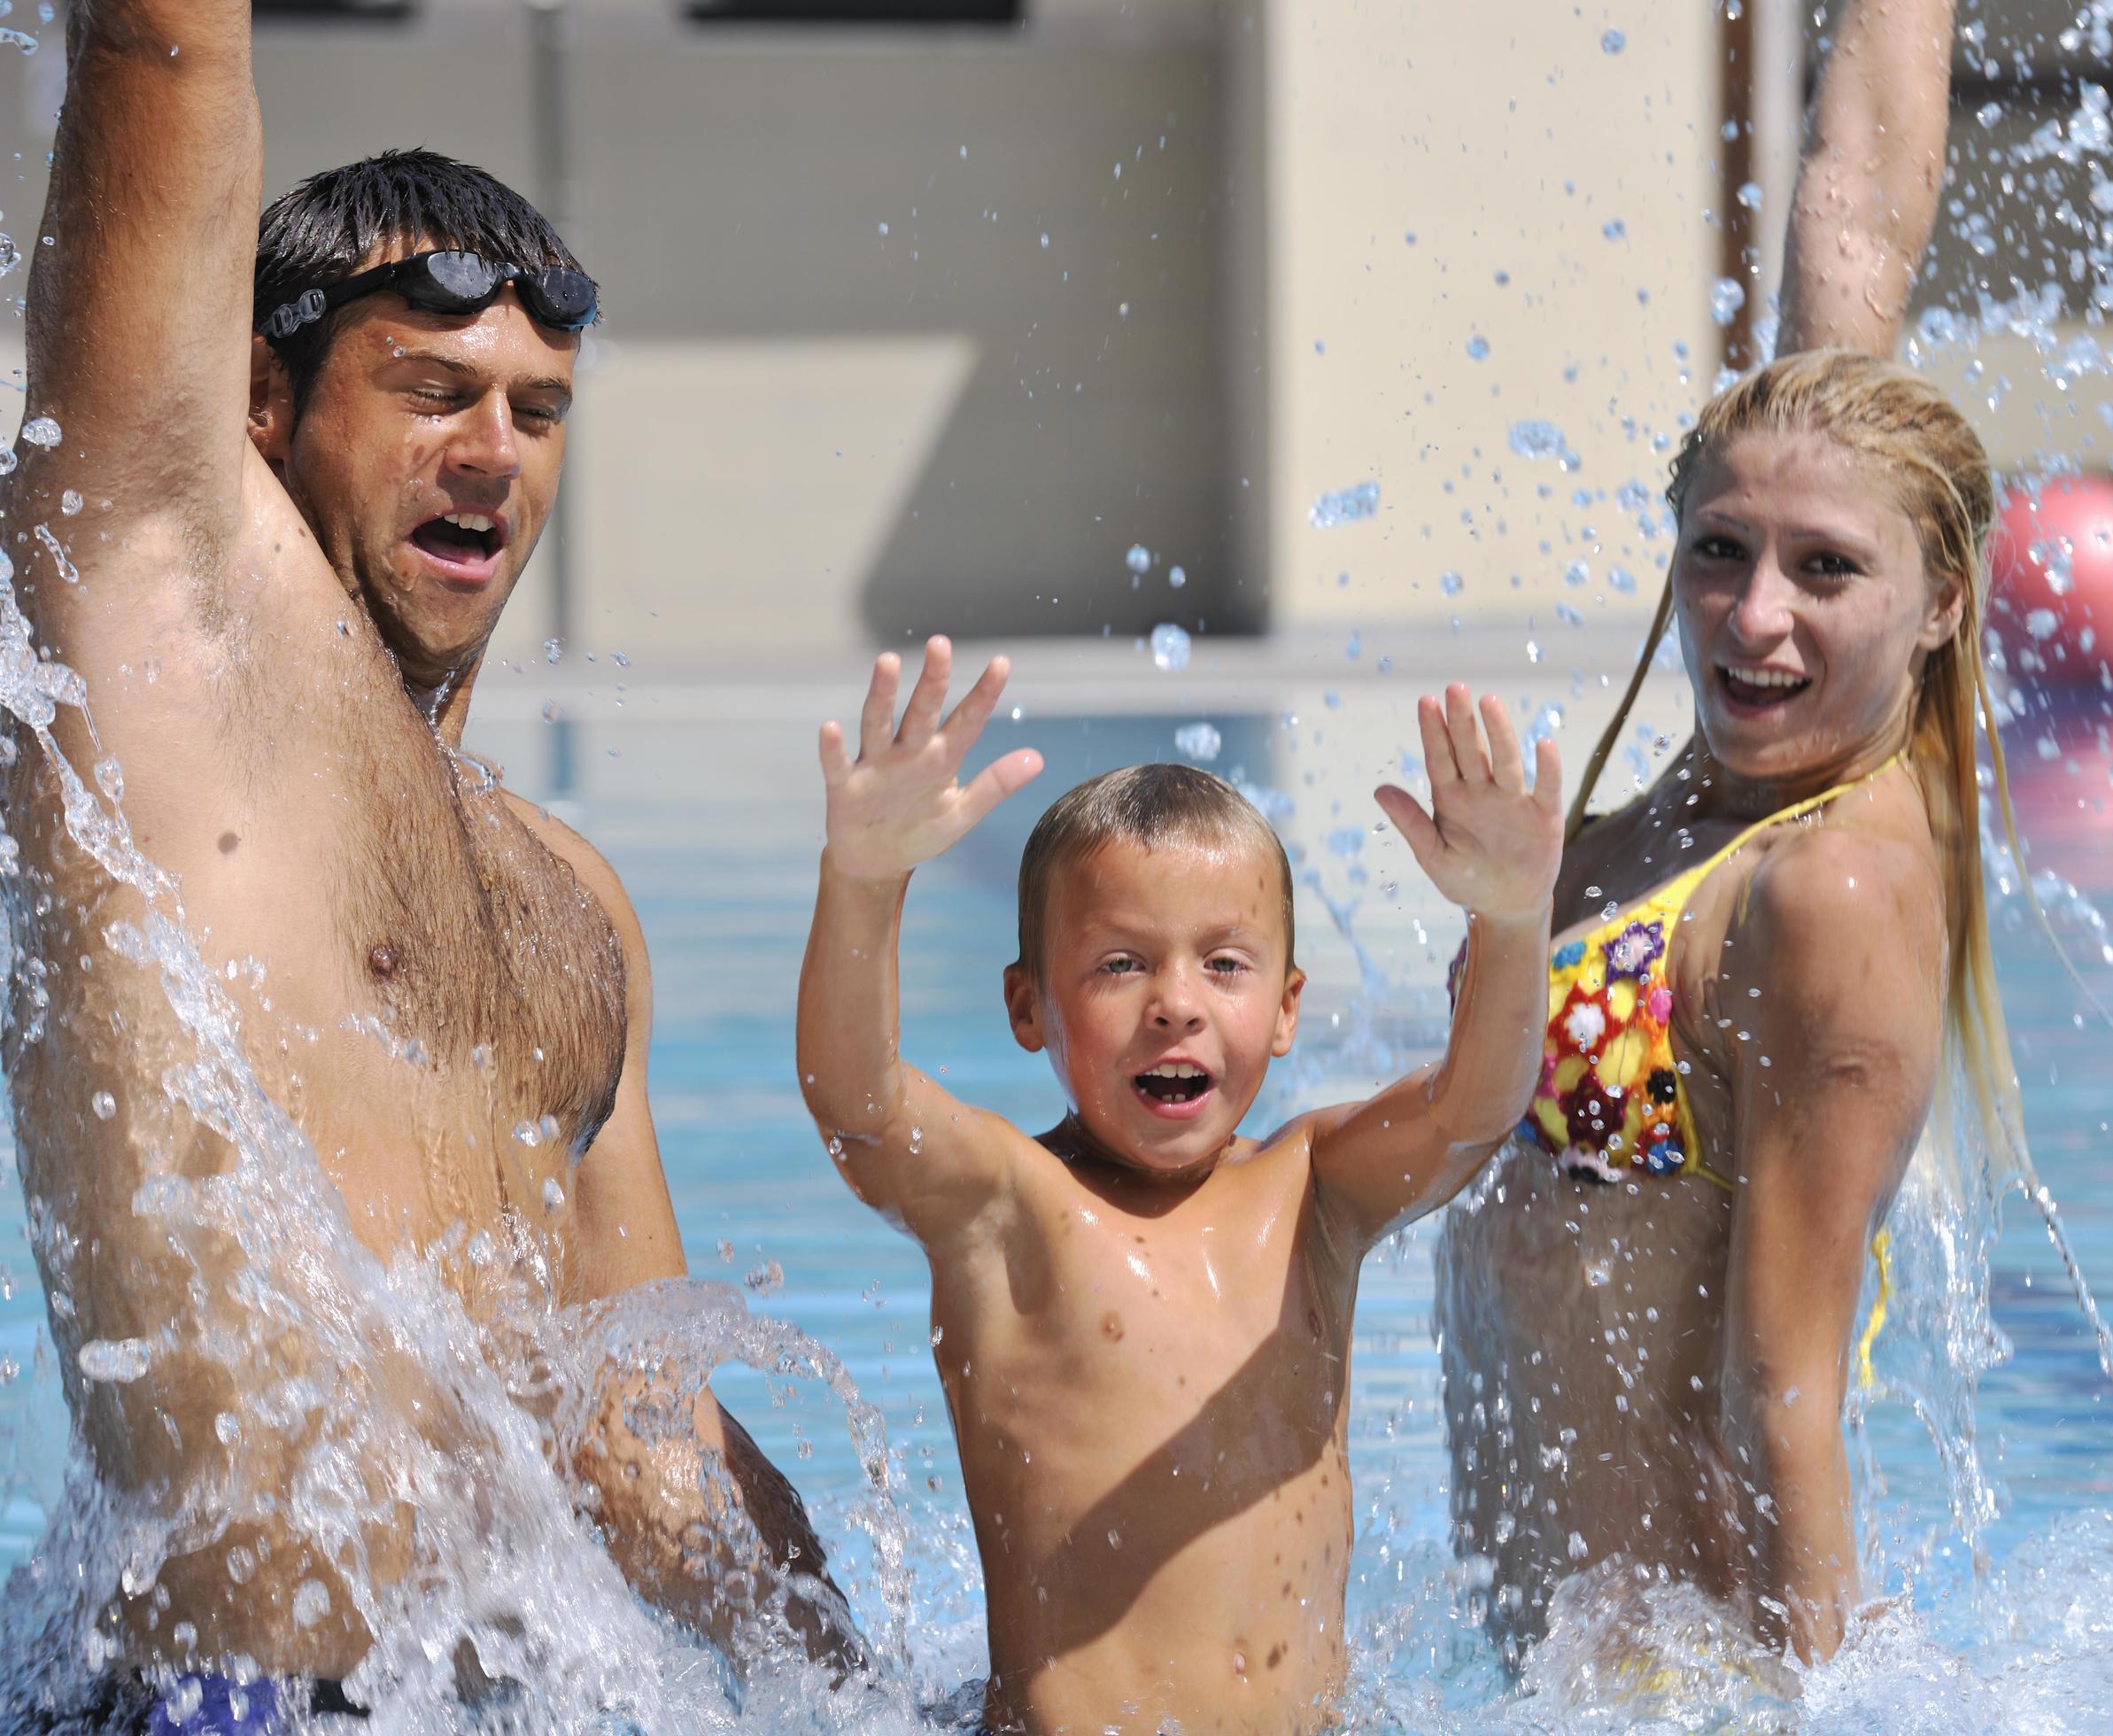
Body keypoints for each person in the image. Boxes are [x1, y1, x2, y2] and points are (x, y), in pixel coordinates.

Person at [4, 1, 846, 1718]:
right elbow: (161, 60)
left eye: (538, 410)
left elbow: (646, 1428)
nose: (495, 455)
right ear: (257, 399)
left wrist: (872, 1684)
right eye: (433, 390)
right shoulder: (174, 672)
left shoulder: (567, 898)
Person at [1433, 0, 2002, 1679]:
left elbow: (1789, 1392)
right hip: (1552, 1680)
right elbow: (1853, 214)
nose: (1755, 616)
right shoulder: (1732, 787)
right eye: (1717, 551)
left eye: (1826, 570)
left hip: (1676, 1697)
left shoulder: (1825, 881)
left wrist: (1822, 1716)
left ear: (1942, 602)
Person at [795, 642, 1563, 1734]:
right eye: (1120, 964)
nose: (1176, 1004)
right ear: (1027, 1008)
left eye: (1225, 963)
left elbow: (1473, 1109)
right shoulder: (1009, 1205)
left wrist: (1513, 918)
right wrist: (865, 880)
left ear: (1289, 1008)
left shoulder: (1312, 1193)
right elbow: (854, 1101)